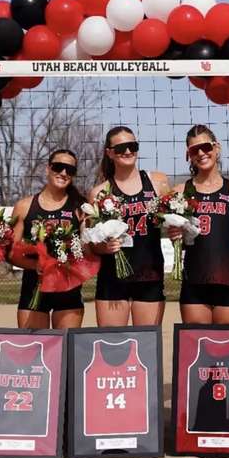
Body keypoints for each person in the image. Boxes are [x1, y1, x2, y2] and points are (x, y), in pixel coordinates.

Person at [171, 126, 229, 323]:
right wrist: (175, 237)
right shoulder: (180, 192)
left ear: (217, 148)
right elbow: (178, 241)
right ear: (188, 155)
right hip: (194, 280)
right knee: (196, 347)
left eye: (205, 147)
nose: (202, 153)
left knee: (228, 348)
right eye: (194, 150)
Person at [90, 127, 169, 326]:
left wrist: (177, 229)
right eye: (121, 148)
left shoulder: (157, 182)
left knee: (147, 347)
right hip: (113, 278)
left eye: (132, 146)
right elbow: (92, 244)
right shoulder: (100, 192)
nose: (127, 151)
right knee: (112, 348)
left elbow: (171, 220)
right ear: (109, 152)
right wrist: (104, 247)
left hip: (149, 275)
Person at [10, 149, 89, 330]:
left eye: (70, 170)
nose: (63, 173)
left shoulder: (81, 208)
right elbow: (11, 252)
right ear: (48, 168)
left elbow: (88, 250)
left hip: (69, 291)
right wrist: (35, 265)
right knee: (35, 353)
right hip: (34, 289)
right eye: (58, 167)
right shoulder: (24, 206)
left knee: (67, 352)